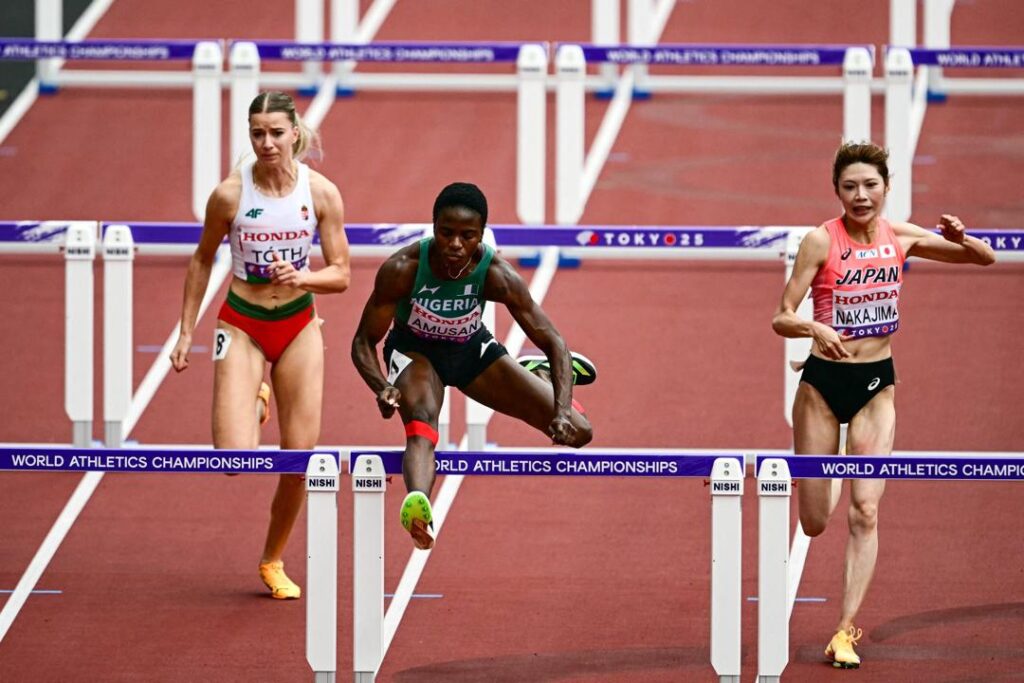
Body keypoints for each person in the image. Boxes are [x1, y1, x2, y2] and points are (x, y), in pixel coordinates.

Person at [772, 141, 996, 669]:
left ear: (886, 188)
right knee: (815, 522)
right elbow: (781, 315)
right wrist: (812, 326)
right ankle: (814, 474)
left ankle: (845, 631)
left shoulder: (903, 237)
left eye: (870, 185)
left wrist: (963, 239)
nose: (860, 195)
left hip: (876, 384)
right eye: (849, 186)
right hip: (823, 386)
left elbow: (986, 259)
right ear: (837, 192)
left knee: (866, 510)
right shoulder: (819, 242)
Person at [170, 91, 350, 599]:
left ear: (295, 132)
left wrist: (304, 277)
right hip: (243, 323)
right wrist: (186, 330)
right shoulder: (230, 195)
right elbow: (202, 259)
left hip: (297, 326)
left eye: (275, 132)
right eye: (256, 133)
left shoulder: (322, 193)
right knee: (233, 456)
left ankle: (272, 559)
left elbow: (341, 275)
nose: (266, 143)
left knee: (298, 458)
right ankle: (256, 394)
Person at [351, 182, 596, 550]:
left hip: (471, 352)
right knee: (421, 421)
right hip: (416, 353)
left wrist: (561, 411)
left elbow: (555, 343)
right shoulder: (403, 268)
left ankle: (539, 376)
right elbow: (362, 342)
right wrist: (380, 386)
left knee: (579, 433)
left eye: (467, 236)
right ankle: (419, 508)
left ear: (481, 236)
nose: (455, 245)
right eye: (446, 233)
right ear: (434, 228)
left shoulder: (496, 273)